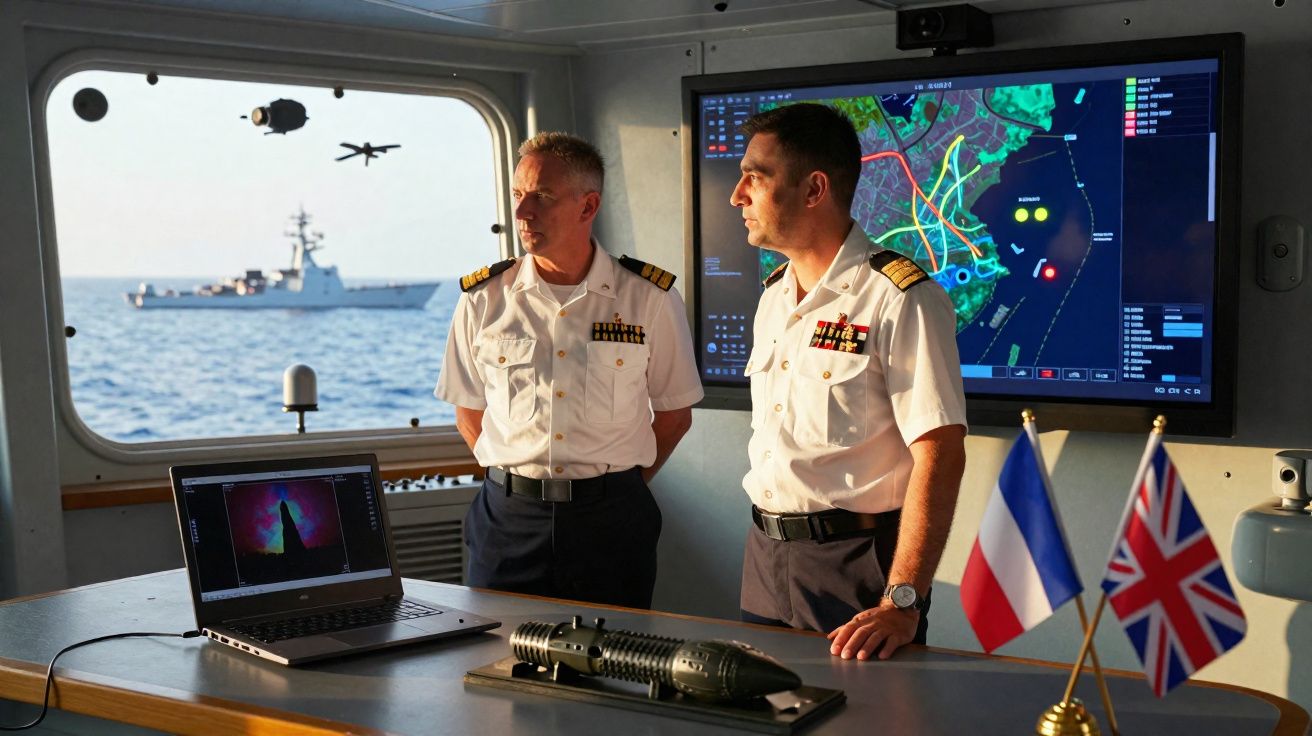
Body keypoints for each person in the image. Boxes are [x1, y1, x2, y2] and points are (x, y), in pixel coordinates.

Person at [730, 103, 967, 660]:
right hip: (764, 557)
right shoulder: (773, 299)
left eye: (755, 178)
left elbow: (940, 452)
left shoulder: (899, 297)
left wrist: (903, 600)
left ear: (814, 189)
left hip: (857, 563)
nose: (738, 195)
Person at [436, 131, 703, 609]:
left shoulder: (649, 298)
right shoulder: (483, 300)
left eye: (541, 197)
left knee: (618, 662)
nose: (521, 213)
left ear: (587, 206)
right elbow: (468, 413)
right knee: (498, 662)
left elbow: (674, 416)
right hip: (507, 518)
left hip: (612, 520)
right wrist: (521, 480)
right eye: (518, 195)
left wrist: (610, 491)